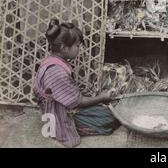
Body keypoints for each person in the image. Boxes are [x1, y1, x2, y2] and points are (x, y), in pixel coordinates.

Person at [34, 19, 120, 148]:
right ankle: (66, 127)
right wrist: (102, 97)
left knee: (106, 108)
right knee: (109, 118)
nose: (79, 49)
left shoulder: (52, 60)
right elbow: (77, 102)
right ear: (63, 47)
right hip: (57, 113)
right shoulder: (57, 72)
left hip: (59, 104)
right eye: (77, 46)